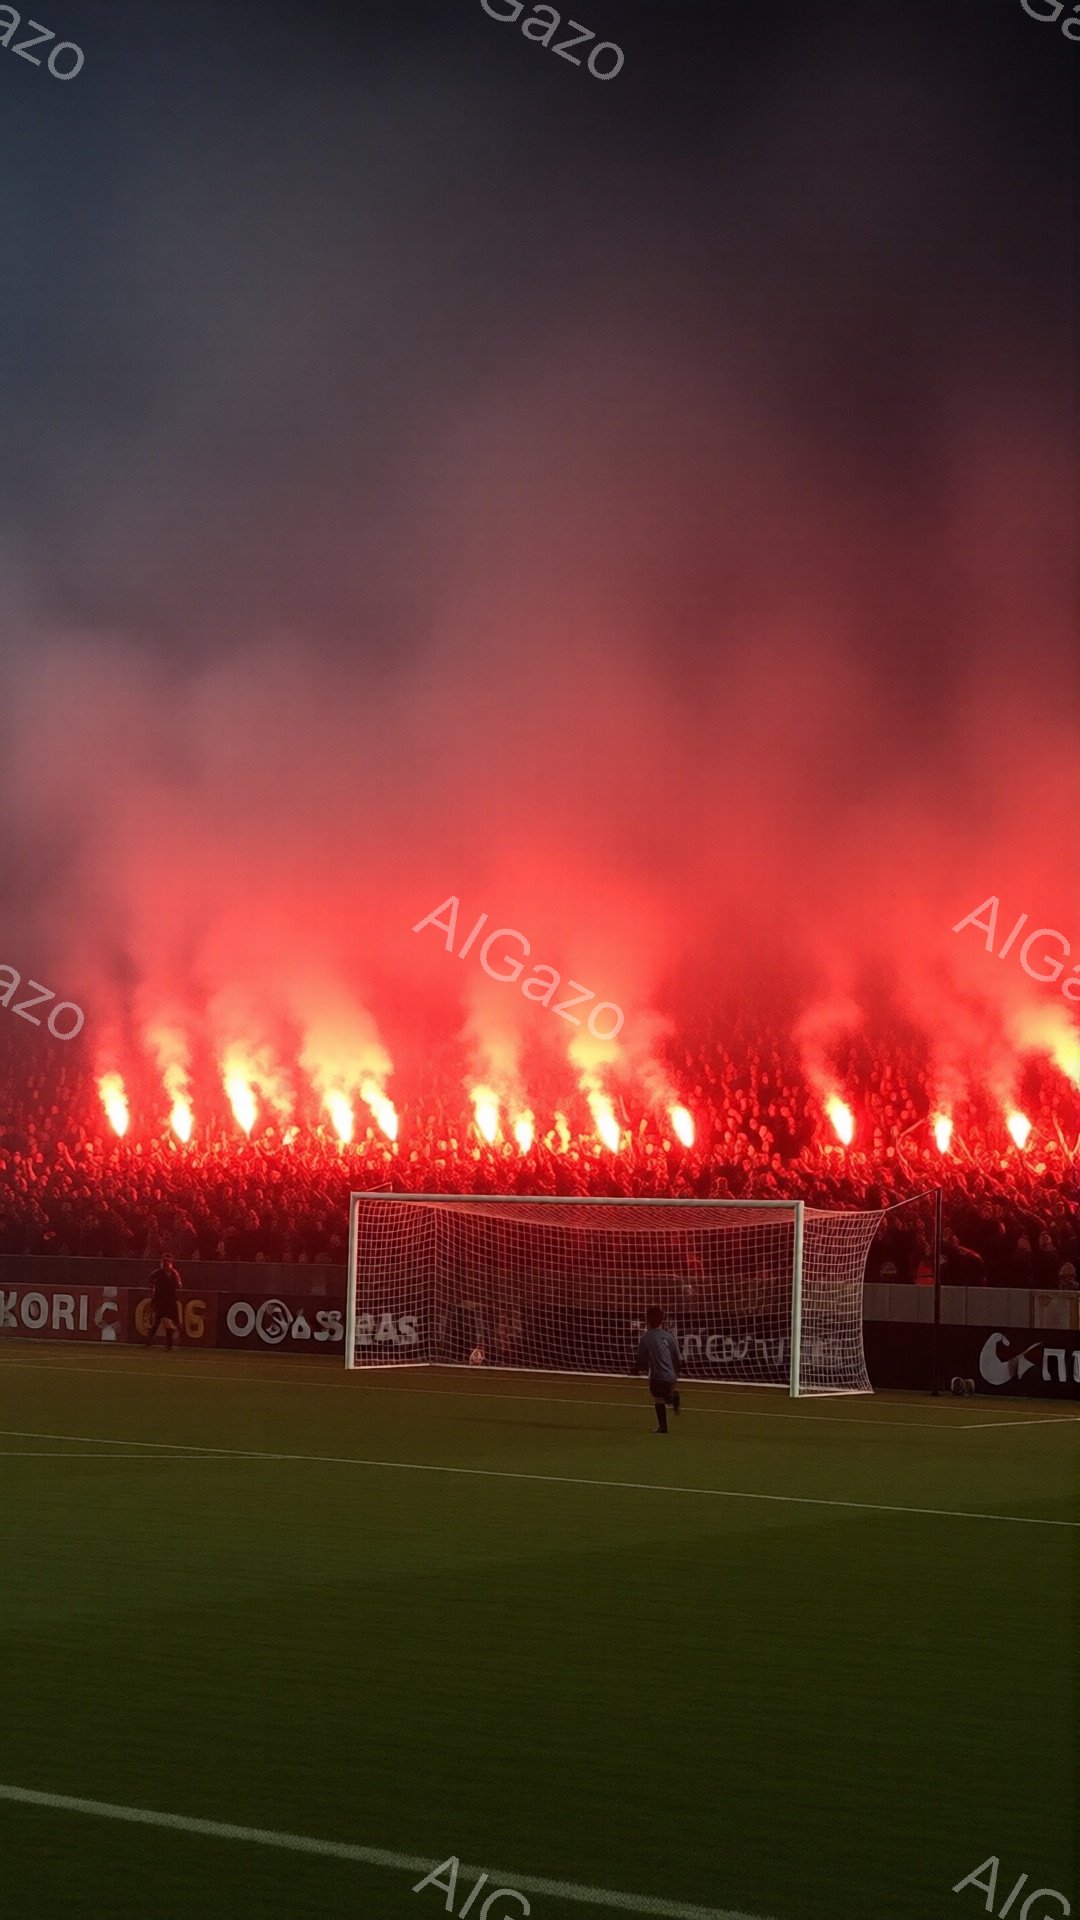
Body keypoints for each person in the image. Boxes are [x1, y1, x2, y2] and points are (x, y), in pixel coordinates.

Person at [634, 1304, 681, 1434]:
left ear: (647, 1320)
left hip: (658, 1376)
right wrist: (676, 1371)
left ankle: (663, 1426)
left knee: (658, 1398)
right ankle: (671, 1396)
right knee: (663, 1392)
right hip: (671, 1376)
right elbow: (676, 1356)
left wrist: (635, 1370)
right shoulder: (668, 1336)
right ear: (662, 1321)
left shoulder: (645, 1338)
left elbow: (642, 1360)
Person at [144, 1256, 183, 1351]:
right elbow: (150, 1282)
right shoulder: (157, 1274)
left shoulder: (174, 1274)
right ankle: (151, 1342)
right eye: (164, 1264)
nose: (165, 1266)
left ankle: (171, 1344)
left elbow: (179, 1285)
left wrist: (177, 1285)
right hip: (160, 1301)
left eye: (167, 1264)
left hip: (171, 1302)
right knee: (157, 1322)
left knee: (172, 1322)